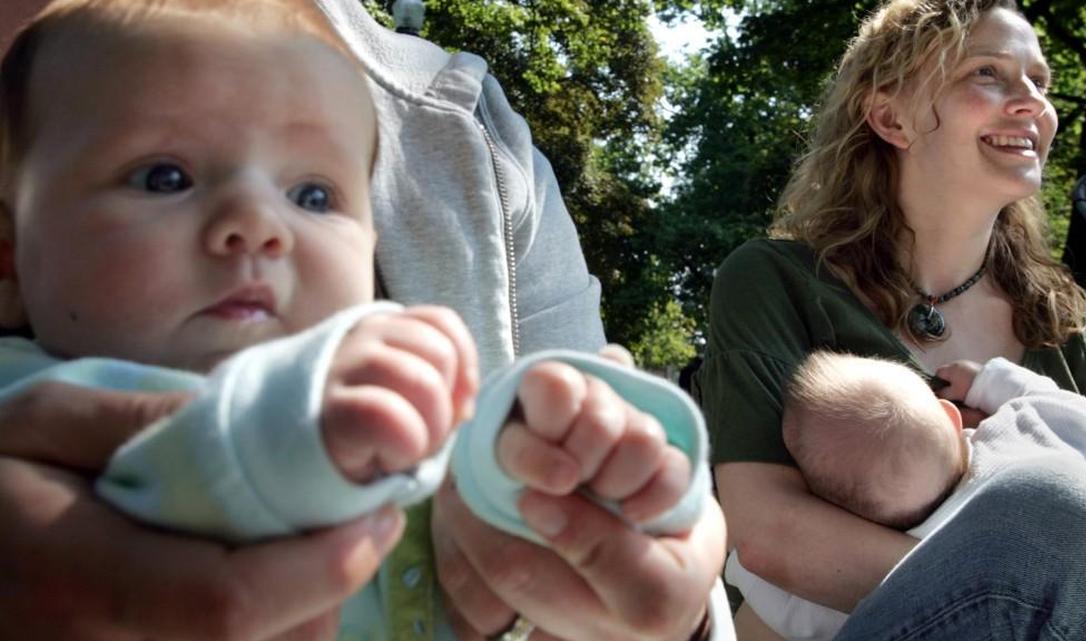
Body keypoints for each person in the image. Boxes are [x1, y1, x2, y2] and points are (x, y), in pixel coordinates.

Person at [0, 0, 730, 640]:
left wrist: (558, 462)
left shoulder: (466, 125)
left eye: (313, 195)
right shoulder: (21, 396)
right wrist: (331, 409)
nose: (257, 223)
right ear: (11, 261)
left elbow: (488, 527)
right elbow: (205, 454)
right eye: (165, 176)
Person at [694, 0, 1086, 638]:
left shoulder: (1079, 341)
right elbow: (769, 534)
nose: (1032, 104)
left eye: (1039, 83)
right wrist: (1026, 602)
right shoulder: (778, 282)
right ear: (890, 117)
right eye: (986, 73)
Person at [724, 351, 1086, 641]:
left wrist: (738, 560)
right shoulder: (1021, 441)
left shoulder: (883, 583)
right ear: (950, 416)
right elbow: (1083, 419)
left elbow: (775, 596)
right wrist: (986, 381)